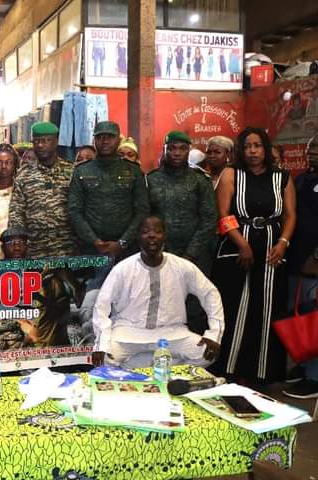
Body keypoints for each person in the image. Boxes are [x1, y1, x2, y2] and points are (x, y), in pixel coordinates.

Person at [211, 127, 296, 383]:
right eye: (247, 146)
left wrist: (282, 243)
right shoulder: (231, 174)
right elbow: (223, 215)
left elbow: (290, 215)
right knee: (237, 306)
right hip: (239, 246)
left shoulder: (282, 177)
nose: (252, 151)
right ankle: (231, 369)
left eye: (257, 145)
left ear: (265, 148)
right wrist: (242, 244)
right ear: (240, 150)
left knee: (268, 307)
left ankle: (264, 371)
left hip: (272, 247)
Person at [92, 216, 223, 369]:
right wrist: (101, 344)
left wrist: (214, 334)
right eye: (145, 232)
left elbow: (210, 293)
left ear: (165, 236)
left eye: (157, 231)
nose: (152, 235)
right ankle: (159, 367)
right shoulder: (123, 268)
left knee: (206, 354)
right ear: (138, 237)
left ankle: (137, 369)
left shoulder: (181, 266)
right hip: (128, 334)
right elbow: (101, 305)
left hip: (172, 333)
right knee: (105, 360)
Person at [69, 121, 149, 258]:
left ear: (118, 140)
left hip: (127, 248)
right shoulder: (81, 171)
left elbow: (142, 210)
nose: (105, 141)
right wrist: (94, 241)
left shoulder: (133, 170)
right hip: (91, 248)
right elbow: (74, 210)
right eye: (100, 137)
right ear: (94, 141)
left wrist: (122, 243)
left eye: (110, 137)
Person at [147, 131, 217, 273]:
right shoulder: (151, 180)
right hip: (160, 253)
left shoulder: (200, 180)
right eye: (172, 148)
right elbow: (145, 216)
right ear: (164, 150)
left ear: (188, 151)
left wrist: (190, 253)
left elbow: (209, 219)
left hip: (196, 256)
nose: (177, 153)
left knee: (195, 294)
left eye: (182, 148)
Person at [282, 136, 318, 399]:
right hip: (295, 259)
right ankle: (303, 366)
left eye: (317, 148)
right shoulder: (303, 178)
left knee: (313, 317)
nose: (313, 152)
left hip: (314, 262)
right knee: (298, 316)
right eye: (310, 148)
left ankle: (314, 378)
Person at [8, 121, 75, 258]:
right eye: (36, 141)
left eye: (46, 141)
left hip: (67, 246)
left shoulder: (71, 171)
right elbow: (16, 212)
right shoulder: (24, 174)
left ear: (56, 142)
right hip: (35, 249)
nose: (40, 145)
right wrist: (18, 245)